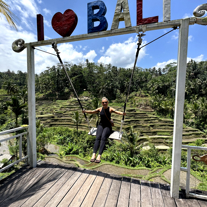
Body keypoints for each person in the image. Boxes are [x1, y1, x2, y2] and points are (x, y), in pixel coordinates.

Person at [82, 97, 126, 163]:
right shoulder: (100, 109)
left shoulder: (110, 109)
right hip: (101, 125)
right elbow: (92, 111)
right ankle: (94, 154)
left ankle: (99, 155)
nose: (104, 103)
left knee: (103, 138)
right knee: (98, 137)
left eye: (106, 102)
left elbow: (117, 112)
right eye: (103, 102)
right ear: (101, 103)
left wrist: (122, 113)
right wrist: (85, 111)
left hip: (108, 126)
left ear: (108, 103)